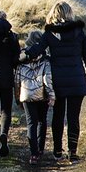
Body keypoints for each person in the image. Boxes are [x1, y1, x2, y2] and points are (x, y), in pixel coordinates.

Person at [24, 1, 86, 162]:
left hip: (57, 81)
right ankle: (73, 151)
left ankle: (57, 151)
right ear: (70, 13)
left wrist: (23, 55)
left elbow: (37, 49)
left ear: (54, 14)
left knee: (57, 116)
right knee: (73, 117)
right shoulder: (79, 32)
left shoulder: (50, 33)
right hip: (77, 80)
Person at [15, 29, 55, 164]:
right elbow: (47, 79)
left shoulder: (21, 58)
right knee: (42, 121)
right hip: (41, 94)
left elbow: (17, 79)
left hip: (26, 93)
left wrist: (17, 97)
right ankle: (40, 149)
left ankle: (33, 154)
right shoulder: (45, 59)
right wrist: (52, 95)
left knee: (31, 122)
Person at [0, 10, 20, 157]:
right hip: (6, 75)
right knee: (6, 109)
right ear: (5, 19)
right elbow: (16, 59)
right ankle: (4, 136)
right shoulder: (12, 36)